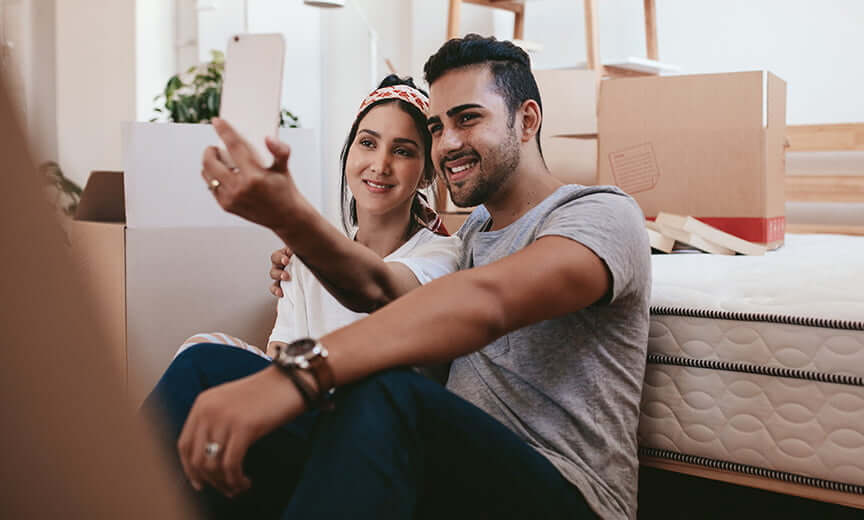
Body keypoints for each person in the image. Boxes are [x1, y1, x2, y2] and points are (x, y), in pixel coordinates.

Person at [144, 34, 651, 519]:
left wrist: (300, 375)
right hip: (441, 473)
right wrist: (289, 223)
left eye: (467, 119)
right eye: (436, 127)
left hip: (563, 494)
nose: (448, 143)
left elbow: (486, 302)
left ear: (526, 120)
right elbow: (378, 289)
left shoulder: (599, 214)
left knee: (385, 391)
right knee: (205, 369)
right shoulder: (473, 234)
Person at [173, 75, 461, 361]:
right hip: (298, 395)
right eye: (368, 143)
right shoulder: (304, 259)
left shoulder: (444, 255)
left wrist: (286, 215)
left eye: (402, 151)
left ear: (427, 174)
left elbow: (376, 287)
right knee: (199, 348)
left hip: (376, 403)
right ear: (349, 152)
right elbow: (279, 352)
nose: (380, 164)